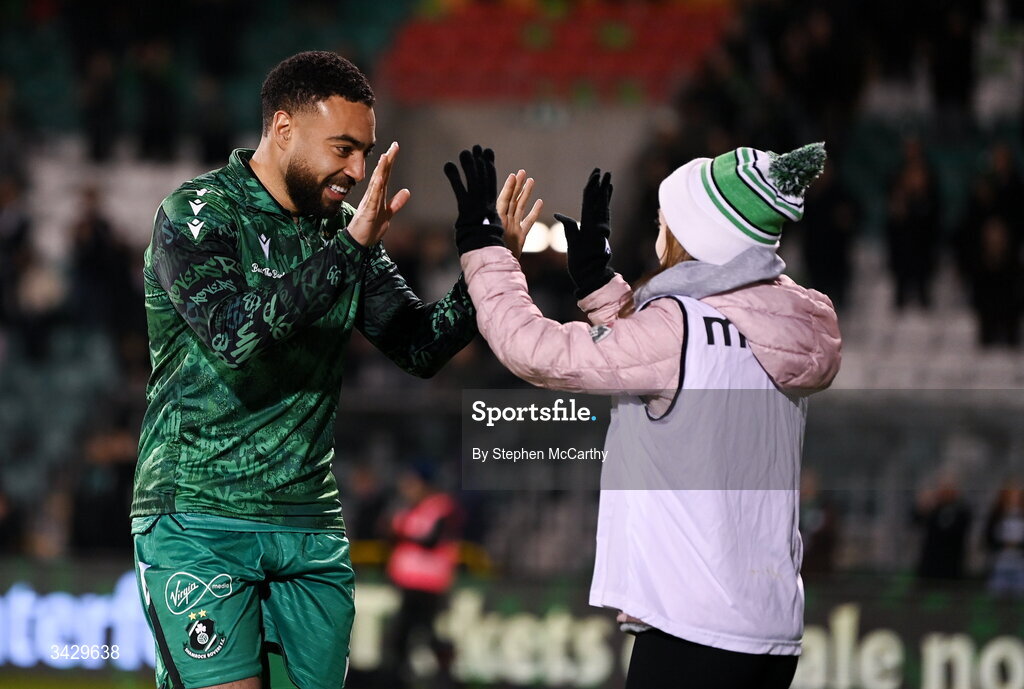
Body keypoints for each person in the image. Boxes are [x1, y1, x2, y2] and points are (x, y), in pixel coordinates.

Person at [131, 51, 479, 689]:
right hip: (200, 513)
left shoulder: (342, 230)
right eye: (343, 148)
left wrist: (484, 265)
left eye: (365, 152)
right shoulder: (197, 214)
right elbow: (234, 334)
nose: (357, 170)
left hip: (309, 523)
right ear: (283, 129)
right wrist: (350, 249)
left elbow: (419, 348)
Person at [447, 143, 841, 688]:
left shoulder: (678, 327)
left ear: (698, 235)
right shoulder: (780, 331)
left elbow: (535, 351)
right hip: (768, 632)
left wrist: (484, 251)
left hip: (694, 632)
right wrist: (600, 287)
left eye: (667, 220)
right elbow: (676, 358)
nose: (659, 231)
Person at [386, 462, 462, 688]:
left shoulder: (440, 507)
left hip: (428, 584)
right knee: (404, 635)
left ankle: (447, 676)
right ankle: (401, 678)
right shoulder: (409, 508)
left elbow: (431, 539)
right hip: (410, 583)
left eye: (412, 483)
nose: (407, 488)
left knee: (427, 633)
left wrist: (402, 531)